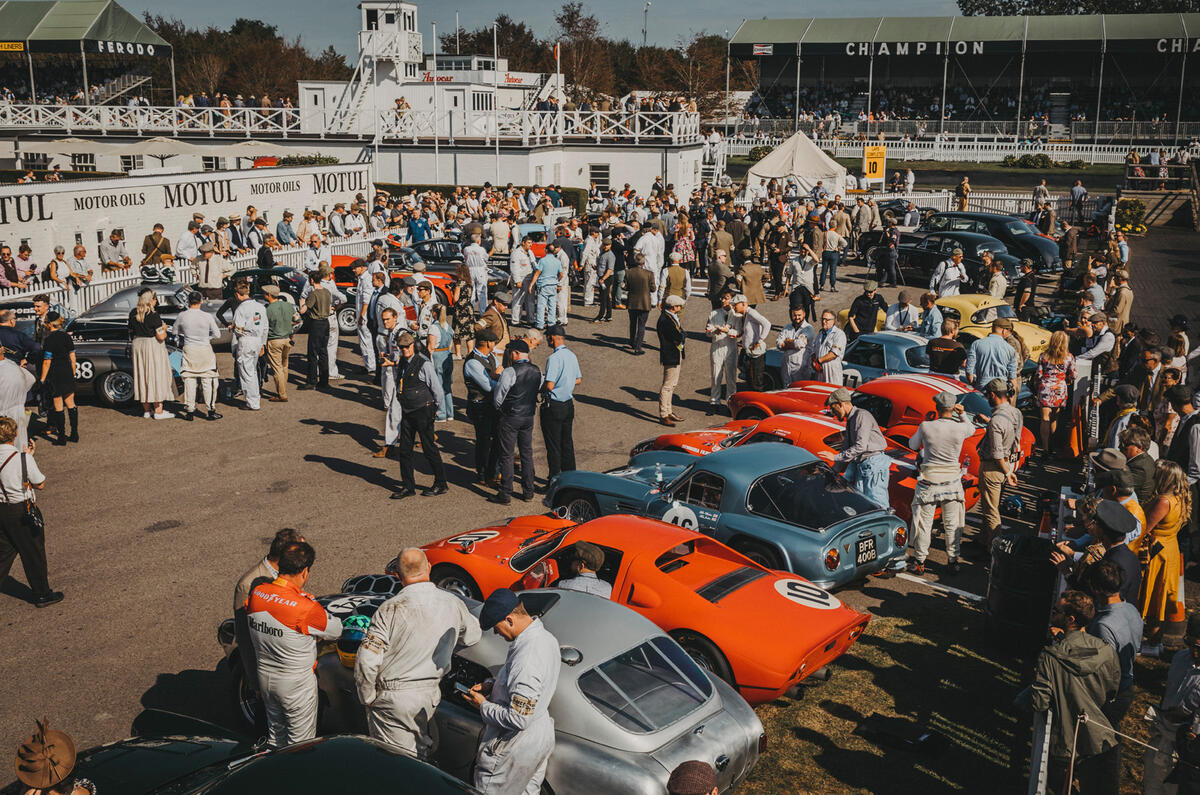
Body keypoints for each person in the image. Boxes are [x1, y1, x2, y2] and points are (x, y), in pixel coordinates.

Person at [355, 548, 481, 758]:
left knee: (396, 765)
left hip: (394, 699)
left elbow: (367, 659)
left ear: (398, 575)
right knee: (420, 759)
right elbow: (472, 635)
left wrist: (367, 696)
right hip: (429, 697)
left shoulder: (390, 609)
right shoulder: (452, 603)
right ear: (429, 568)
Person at [246, 541, 343, 748]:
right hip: (296, 685)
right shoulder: (305, 607)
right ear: (304, 572)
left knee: (275, 740)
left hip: (266, 678)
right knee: (300, 747)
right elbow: (336, 630)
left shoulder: (257, 593)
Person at [467, 589, 561, 795]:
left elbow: (519, 719)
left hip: (514, 744)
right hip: (539, 735)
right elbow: (522, 683)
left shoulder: (526, 658)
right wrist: (492, 685)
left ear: (509, 619)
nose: (496, 633)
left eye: (496, 627)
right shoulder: (546, 639)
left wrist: (483, 704)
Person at [1027, 590, 1120, 794]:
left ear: (1069, 619)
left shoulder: (1050, 658)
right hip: (1099, 740)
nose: (1052, 613)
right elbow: (1113, 690)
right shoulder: (1106, 651)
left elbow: (1039, 703)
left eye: (1056, 610)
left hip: (1065, 745)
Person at [1081, 560, 1143, 783]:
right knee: (1109, 742)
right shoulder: (1131, 610)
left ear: (1096, 589)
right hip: (1126, 685)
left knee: (1096, 749)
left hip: (1110, 694)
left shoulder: (1103, 625)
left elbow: (1100, 667)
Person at [907, 392, 975, 575]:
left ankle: (920, 561)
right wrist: (962, 414)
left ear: (936, 408)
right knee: (952, 524)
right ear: (952, 408)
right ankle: (953, 561)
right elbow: (972, 429)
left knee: (924, 524)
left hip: (929, 482)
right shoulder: (960, 428)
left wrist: (926, 421)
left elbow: (913, 445)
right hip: (952, 482)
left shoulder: (926, 426)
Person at [0, 416, 57, 608]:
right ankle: (42, 594)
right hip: (21, 510)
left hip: (2, 510)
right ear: (14, 435)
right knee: (33, 553)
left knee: (4, 552)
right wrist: (29, 457)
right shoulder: (23, 459)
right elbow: (39, 483)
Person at [1143, 615, 1200, 795]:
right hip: (1163, 739)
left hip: (1189, 756)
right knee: (1152, 788)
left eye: (1199, 647)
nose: (1195, 652)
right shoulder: (1180, 658)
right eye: (1190, 644)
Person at [1139, 461, 1192, 653]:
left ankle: (1152, 643)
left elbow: (1145, 528)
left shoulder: (1163, 501)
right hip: (1170, 549)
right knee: (1161, 596)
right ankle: (1155, 642)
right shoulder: (1180, 498)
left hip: (1157, 552)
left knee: (1153, 597)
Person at [390, 332, 448, 500]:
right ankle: (408, 486)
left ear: (413, 346)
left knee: (429, 448)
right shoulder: (402, 362)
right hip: (408, 411)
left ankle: (441, 483)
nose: (404, 350)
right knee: (404, 451)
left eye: (407, 346)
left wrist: (436, 409)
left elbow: (437, 389)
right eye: (401, 347)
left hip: (423, 410)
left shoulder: (424, 364)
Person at [974, 379, 1023, 555]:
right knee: (989, 506)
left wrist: (1007, 471)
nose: (987, 398)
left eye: (987, 395)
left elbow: (996, 453)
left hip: (993, 468)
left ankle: (994, 549)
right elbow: (1013, 438)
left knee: (990, 511)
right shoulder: (1016, 413)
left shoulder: (995, 422)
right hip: (1006, 463)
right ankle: (982, 540)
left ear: (993, 395)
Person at [491, 339, 541, 505]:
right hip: (528, 416)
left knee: (507, 454)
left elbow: (498, 397)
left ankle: (506, 493)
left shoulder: (510, 372)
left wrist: (502, 409)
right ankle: (528, 491)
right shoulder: (537, 371)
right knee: (527, 453)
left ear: (516, 353)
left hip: (511, 416)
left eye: (511, 352)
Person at [826, 387, 890, 506]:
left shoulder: (861, 416)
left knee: (877, 503)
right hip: (863, 464)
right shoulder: (851, 419)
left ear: (840, 404)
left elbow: (860, 446)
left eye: (833, 408)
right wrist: (834, 471)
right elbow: (846, 446)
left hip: (873, 464)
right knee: (862, 502)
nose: (832, 413)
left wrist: (835, 457)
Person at [172, 291, 223, 421]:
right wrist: (207, 337)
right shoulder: (206, 316)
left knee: (189, 379)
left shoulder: (182, 315)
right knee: (208, 379)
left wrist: (185, 334)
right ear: (200, 301)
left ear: (188, 302)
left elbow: (175, 331)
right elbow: (217, 334)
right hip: (204, 348)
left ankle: (189, 409)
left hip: (189, 348)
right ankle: (210, 410)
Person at [128, 288, 177, 419]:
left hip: (138, 344)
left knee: (142, 376)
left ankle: (146, 410)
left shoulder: (133, 313)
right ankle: (158, 411)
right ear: (151, 300)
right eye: (155, 299)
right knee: (155, 375)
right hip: (152, 345)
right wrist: (164, 328)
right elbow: (161, 336)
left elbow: (130, 330)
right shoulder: (153, 315)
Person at [464, 329, 503, 484]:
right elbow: (489, 386)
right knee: (483, 441)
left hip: (491, 405)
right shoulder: (473, 362)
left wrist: (497, 375)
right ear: (487, 343)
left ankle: (493, 470)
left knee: (497, 438)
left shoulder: (491, 357)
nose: (494, 345)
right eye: (493, 342)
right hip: (479, 406)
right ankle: (482, 473)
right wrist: (498, 376)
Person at [541, 326, 580, 478]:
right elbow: (578, 379)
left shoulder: (553, 358)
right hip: (568, 404)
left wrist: (541, 387)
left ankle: (554, 479)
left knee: (553, 446)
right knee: (567, 443)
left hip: (554, 405)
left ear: (552, 338)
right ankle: (571, 477)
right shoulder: (572, 355)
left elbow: (550, 385)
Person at [1034, 330, 1076, 456]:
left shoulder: (1044, 356)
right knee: (1054, 418)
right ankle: (1051, 444)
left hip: (1045, 388)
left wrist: (1037, 385)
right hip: (1059, 389)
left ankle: (1045, 448)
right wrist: (1066, 380)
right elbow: (1074, 375)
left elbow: (1038, 374)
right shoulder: (1069, 357)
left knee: (1044, 418)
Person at [38, 315, 76, 445]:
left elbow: (47, 362)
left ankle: (61, 437)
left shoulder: (49, 340)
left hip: (55, 373)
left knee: (58, 405)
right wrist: (73, 373)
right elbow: (73, 357)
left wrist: (42, 379)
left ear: (49, 324)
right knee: (71, 403)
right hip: (67, 371)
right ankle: (74, 434)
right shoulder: (67, 336)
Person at [230, 283, 267, 412]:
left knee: (246, 372)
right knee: (253, 370)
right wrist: (263, 343)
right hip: (257, 340)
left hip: (246, 340)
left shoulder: (241, 308)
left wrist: (234, 329)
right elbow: (265, 327)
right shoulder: (260, 306)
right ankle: (255, 397)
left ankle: (252, 402)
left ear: (237, 294)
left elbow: (239, 329)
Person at [705, 290, 738, 415]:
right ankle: (714, 402)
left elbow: (739, 332)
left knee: (731, 377)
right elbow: (707, 331)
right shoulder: (714, 313)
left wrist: (728, 331)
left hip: (731, 347)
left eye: (726, 298)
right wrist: (714, 331)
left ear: (732, 300)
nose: (723, 300)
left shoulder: (736, 315)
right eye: (722, 298)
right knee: (715, 375)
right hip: (717, 346)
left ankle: (731, 403)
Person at [657, 296, 686, 427]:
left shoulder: (669, 317)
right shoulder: (665, 320)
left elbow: (680, 333)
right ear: (673, 307)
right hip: (670, 354)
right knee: (668, 385)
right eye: (679, 306)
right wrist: (682, 336)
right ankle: (663, 414)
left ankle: (668, 411)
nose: (680, 308)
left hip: (675, 353)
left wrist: (682, 335)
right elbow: (678, 335)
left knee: (672, 384)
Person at [262, 286, 294, 404]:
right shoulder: (288, 305)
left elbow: (264, 327)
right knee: (284, 365)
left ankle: (282, 394)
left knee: (277, 368)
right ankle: (282, 389)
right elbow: (297, 319)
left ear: (269, 295)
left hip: (274, 340)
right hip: (287, 339)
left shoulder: (268, 309)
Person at [965, 319, 1019, 388]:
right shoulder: (1010, 349)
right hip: (1001, 389)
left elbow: (969, 370)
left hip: (982, 387)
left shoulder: (976, 344)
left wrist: (973, 384)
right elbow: (1012, 377)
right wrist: (1011, 397)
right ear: (1004, 331)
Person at [299, 271, 331, 389]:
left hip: (316, 323)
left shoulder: (314, 294)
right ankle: (324, 380)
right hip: (325, 322)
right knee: (323, 352)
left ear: (312, 280)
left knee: (312, 353)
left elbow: (303, 310)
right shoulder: (327, 292)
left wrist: (302, 303)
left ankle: (311, 380)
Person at [734, 294, 771, 392]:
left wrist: (760, 340)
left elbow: (767, 324)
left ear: (743, 304)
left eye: (735, 305)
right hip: (748, 352)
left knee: (756, 381)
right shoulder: (745, 315)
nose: (734, 307)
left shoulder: (751, 313)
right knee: (749, 379)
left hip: (756, 354)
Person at [0, 346, 34, 451]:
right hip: (19, 413)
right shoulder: (11, 364)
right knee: (20, 449)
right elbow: (31, 379)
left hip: (3, 419)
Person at [428, 305, 455, 422]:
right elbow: (450, 344)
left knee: (438, 386)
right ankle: (450, 412)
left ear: (434, 313)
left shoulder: (434, 328)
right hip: (448, 356)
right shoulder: (448, 326)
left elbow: (431, 347)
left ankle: (441, 414)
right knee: (447, 385)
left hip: (437, 356)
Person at [777, 305, 814, 388]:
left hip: (800, 370)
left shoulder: (808, 329)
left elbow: (799, 344)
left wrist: (786, 341)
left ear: (804, 314)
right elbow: (779, 344)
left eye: (799, 315)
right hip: (786, 368)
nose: (797, 317)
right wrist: (793, 343)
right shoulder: (787, 327)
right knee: (786, 391)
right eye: (794, 315)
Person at [624, 253, 654, 355]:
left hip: (632, 301)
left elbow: (626, 287)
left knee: (632, 323)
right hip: (644, 302)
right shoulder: (649, 274)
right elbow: (653, 289)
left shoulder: (628, 272)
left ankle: (632, 341)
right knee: (642, 325)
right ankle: (638, 346)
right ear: (643, 263)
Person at [531, 243, 563, 330]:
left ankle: (540, 324)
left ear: (546, 250)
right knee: (552, 305)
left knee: (541, 305)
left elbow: (537, 273)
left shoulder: (542, 261)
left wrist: (531, 285)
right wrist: (557, 280)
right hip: (553, 285)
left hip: (543, 285)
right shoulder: (557, 261)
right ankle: (551, 323)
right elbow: (561, 274)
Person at [811, 310, 846, 385]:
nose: (824, 322)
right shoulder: (820, 333)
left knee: (832, 392)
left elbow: (834, 354)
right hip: (820, 370)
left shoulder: (839, 334)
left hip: (832, 370)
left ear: (833, 321)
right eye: (822, 319)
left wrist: (819, 361)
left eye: (827, 320)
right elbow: (814, 349)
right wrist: (814, 361)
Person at [593, 236, 615, 323]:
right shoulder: (602, 253)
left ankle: (600, 315)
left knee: (603, 298)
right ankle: (609, 315)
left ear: (610, 245)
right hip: (602, 277)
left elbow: (610, 270)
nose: (605, 246)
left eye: (607, 245)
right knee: (606, 297)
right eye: (604, 245)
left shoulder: (610, 255)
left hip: (606, 278)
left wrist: (603, 279)